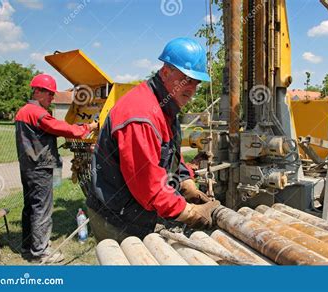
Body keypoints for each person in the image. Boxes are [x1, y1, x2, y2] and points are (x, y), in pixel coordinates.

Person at [87, 37, 221, 242]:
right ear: (165, 72)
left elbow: (169, 153)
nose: (192, 88)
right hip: (117, 220)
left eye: (196, 82)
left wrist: (185, 182)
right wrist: (190, 213)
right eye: (186, 79)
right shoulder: (141, 116)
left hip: (135, 211)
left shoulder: (166, 105)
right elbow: (149, 188)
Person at [15, 74, 98, 263]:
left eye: (53, 95)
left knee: (30, 208)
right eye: (49, 94)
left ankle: (28, 248)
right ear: (37, 91)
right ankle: (41, 252)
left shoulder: (23, 111)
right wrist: (88, 127)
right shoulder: (37, 112)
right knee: (42, 210)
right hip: (40, 168)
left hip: (28, 167)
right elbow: (61, 128)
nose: (52, 98)